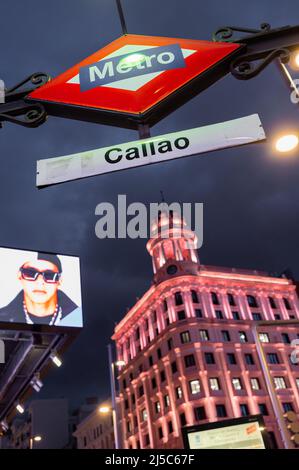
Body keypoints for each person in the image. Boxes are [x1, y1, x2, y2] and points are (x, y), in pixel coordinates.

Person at [0, 252, 82, 327]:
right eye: (30, 273)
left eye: (49, 275)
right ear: (19, 276)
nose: (40, 282)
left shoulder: (78, 319)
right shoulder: (3, 316)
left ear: (59, 281)